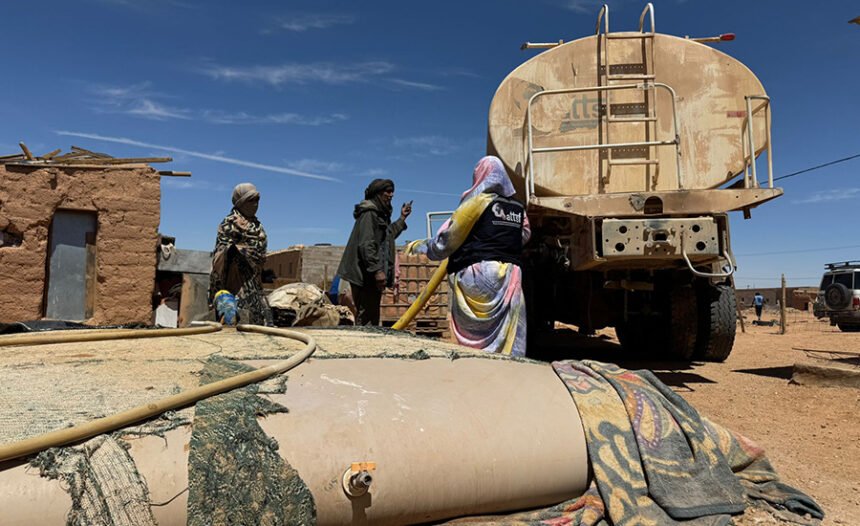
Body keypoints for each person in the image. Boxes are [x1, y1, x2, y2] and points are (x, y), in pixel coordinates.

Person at [405, 156, 530, 356]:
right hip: (511, 276)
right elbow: (523, 235)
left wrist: (424, 249)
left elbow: (446, 240)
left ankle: (478, 368)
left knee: (479, 337)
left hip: (480, 274)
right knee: (507, 331)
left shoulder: (477, 202)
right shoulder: (518, 207)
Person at [337, 179, 412, 325]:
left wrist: (402, 218)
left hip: (370, 275)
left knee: (371, 316)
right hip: (364, 275)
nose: (391, 195)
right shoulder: (369, 213)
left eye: (392, 192)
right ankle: (362, 346)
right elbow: (366, 245)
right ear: (377, 194)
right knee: (366, 318)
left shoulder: (379, 215)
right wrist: (377, 270)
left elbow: (388, 237)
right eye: (387, 192)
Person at [209, 182, 272, 326]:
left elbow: (260, 255)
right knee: (234, 325)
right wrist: (239, 251)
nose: (255, 204)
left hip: (255, 285)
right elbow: (221, 254)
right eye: (251, 200)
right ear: (240, 202)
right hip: (234, 284)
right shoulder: (229, 224)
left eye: (257, 200)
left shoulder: (258, 227)